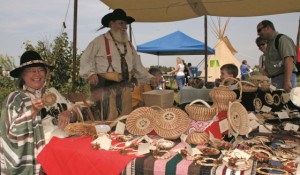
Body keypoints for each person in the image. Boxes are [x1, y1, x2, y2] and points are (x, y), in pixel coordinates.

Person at [0, 50, 78, 174]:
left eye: (41, 70)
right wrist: (33, 112)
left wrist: (69, 113)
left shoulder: (53, 92)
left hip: (70, 143)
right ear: (22, 75)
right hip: (47, 154)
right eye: (32, 70)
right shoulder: (16, 98)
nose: (37, 74)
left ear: (46, 74)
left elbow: (75, 110)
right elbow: (11, 133)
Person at [79, 9, 160, 121]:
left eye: (126, 24)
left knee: (124, 119)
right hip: (104, 88)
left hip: (124, 89)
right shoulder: (99, 41)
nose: (125, 27)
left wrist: (150, 78)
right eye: (121, 23)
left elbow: (138, 67)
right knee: (106, 120)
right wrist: (90, 73)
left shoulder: (129, 46)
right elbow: (85, 58)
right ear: (111, 24)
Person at [257, 20, 298, 92]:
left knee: (286, 101)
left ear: (267, 28)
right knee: (276, 101)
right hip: (275, 79)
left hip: (284, 77)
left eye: (259, 30)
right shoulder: (270, 44)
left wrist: (287, 81)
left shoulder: (282, 39)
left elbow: (288, 60)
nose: (258, 33)